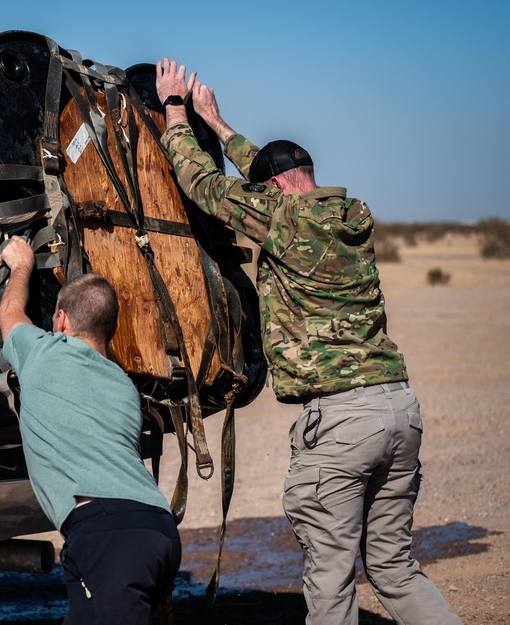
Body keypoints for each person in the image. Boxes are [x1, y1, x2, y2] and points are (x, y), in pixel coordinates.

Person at [153, 58, 463, 624]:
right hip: (398, 409)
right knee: (394, 568)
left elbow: (202, 184)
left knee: (330, 583)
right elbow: (268, 178)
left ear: (271, 190)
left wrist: (176, 109)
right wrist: (218, 125)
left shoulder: (282, 219)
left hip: (342, 426)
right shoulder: (346, 215)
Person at [0, 235, 180, 625]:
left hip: (108, 536)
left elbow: (10, 315)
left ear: (61, 320)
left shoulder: (45, 353)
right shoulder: (124, 387)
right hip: (157, 530)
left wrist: (21, 265)